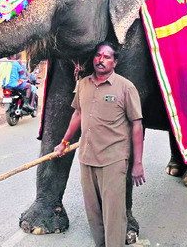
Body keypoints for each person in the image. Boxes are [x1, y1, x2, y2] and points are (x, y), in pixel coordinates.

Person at [54, 41, 145, 247]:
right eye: (98, 56)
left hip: (113, 159)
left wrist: (137, 163)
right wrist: (64, 142)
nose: (101, 60)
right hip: (87, 157)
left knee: (114, 213)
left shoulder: (125, 87)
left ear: (115, 62)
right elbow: (78, 114)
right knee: (93, 212)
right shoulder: (84, 84)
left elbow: (137, 125)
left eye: (106, 57)